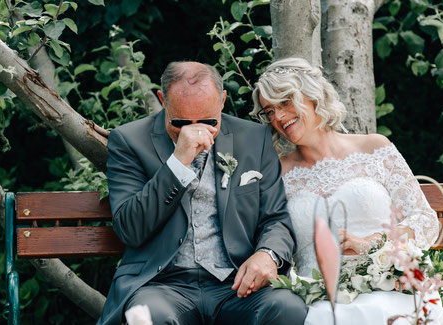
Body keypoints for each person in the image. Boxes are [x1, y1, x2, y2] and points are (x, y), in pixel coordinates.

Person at [251, 57, 443, 325]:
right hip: (319, 299)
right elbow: (270, 240)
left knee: (382, 311)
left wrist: (374, 244)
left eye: (285, 102)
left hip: (390, 287)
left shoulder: (374, 148)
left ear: (312, 94)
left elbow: (424, 220)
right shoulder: (276, 174)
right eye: (269, 111)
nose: (278, 117)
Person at [98, 61, 308, 325]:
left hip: (236, 285)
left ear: (222, 100)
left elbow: (276, 218)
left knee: (287, 307)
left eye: (209, 122)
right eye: (181, 123)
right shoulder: (129, 141)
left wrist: (267, 254)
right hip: (163, 286)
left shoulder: (254, 137)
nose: (196, 132)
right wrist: (177, 163)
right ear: (163, 100)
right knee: (150, 316)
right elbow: (130, 229)